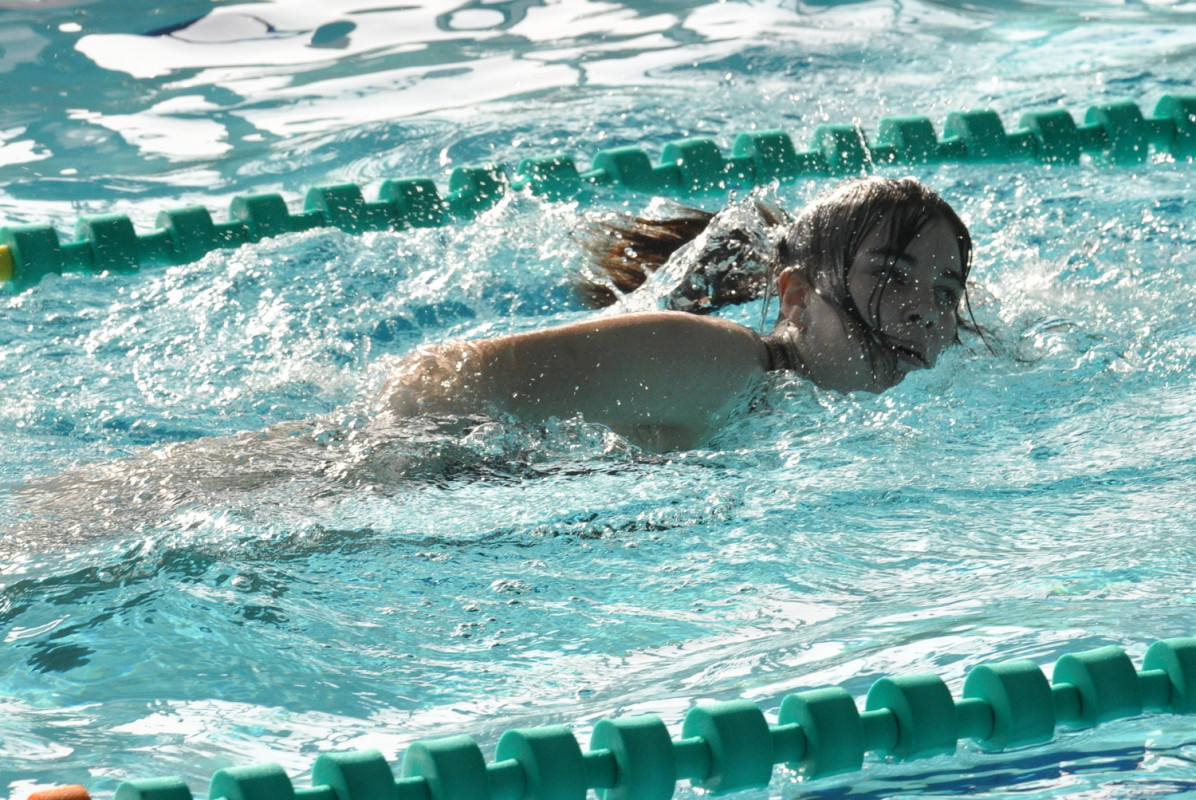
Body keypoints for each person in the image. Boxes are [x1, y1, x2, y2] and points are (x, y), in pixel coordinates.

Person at [373, 176, 975, 453]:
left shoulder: (879, 397)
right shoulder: (713, 359)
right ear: (795, 299)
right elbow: (431, 379)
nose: (925, 312)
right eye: (891, 276)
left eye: (947, 291)